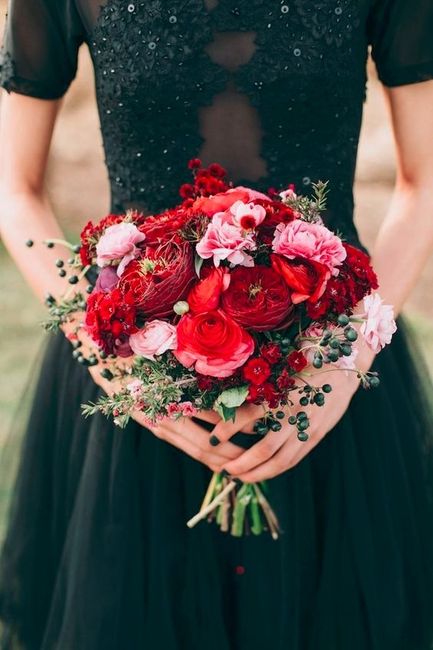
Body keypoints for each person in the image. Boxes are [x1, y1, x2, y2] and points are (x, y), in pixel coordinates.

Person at [0, 0, 433, 648]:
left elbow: (422, 179)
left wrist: (343, 361)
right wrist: (109, 356)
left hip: (325, 376)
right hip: (135, 385)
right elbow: (13, 186)